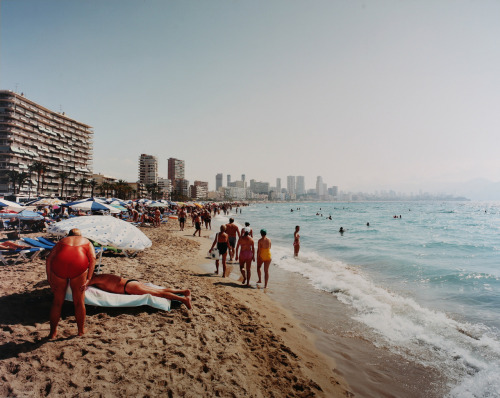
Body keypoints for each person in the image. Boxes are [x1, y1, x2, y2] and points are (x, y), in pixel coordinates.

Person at [45, 228, 96, 339]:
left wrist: (49, 277)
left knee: (57, 302)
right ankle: (81, 331)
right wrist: (89, 278)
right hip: (78, 266)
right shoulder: (86, 241)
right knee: (78, 302)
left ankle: (52, 333)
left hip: (59, 266)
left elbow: (49, 259)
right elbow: (93, 258)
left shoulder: (62, 241)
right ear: (80, 235)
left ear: (69, 235)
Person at [89, 274, 192, 309]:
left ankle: (183, 299)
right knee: (159, 290)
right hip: (131, 282)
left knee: (158, 293)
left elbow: (84, 284)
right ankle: (183, 291)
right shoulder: (101, 276)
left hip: (129, 287)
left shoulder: (96, 279)